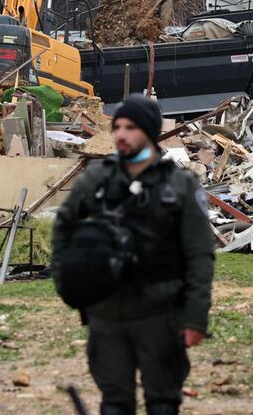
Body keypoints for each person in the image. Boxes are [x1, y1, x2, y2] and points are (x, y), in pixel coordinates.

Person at [51, 94, 215, 415]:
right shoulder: (96, 181)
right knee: (114, 402)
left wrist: (195, 317)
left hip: (160, 313)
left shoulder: (178, 185)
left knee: (163, 401)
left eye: (131, 127)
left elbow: (200, 255)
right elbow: (63, 232)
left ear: (150, 133)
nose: (121, 134)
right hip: (106, 315)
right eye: (117, 127)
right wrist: (69, 284)